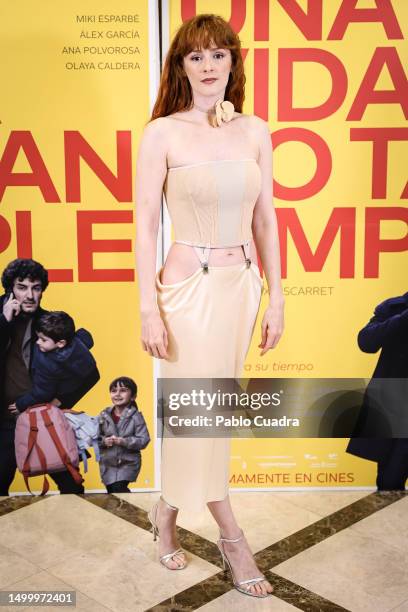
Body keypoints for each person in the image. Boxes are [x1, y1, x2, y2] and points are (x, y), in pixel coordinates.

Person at [135, 14, 283, 598]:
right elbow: (144, 227)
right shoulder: (162, 133)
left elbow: (267, 220)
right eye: (196, 57)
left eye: (219, 55)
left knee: (215, 411)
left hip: (241, 289)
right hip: (186, 290)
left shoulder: (253, 130)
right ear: (181, 67)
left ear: (232, 63)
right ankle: (230, 534)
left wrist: (278, 297)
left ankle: (166, 515)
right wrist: (148, 306)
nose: (208, 67)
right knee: (196, 411)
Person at [0, 258, 100, 495]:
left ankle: (79, 532)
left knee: (70, 485)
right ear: (10, 289)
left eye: (36, 288)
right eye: (22, 287)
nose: (30, 295)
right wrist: (4, 321)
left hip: (40, 418)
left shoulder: (51, 324)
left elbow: (89, 373)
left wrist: (59, 402)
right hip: (2, 420)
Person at [346, 291, 408, 490]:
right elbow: (366, 342)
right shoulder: (394, 307)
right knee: (390, 481)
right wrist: (403, 318)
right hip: (397, 408)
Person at [8, 311, 98, 414]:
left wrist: (21, 404)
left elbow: (42, 392)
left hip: (58, 391)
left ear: (60, 343)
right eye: (38, 337)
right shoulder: (77, 342)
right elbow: (86, 338)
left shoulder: (47, 363)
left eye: (43, 340)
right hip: (72, 384)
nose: (38, 342)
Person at [98, 377, 150, 493]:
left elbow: (144, 439)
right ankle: (123, 511)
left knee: (119, 489)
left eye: (123, 390)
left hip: (128, 462)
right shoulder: (103, 415)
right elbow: (94, 438)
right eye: (114, 390)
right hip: (108, 462)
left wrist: (123, 441)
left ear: (133, 396)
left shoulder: (136, 416)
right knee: (112, 491)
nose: (117, 394)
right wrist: (104, 441)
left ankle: (131, 511)